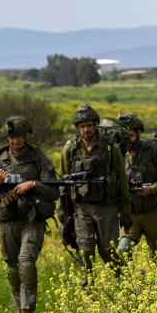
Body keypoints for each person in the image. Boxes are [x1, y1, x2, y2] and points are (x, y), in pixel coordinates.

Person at [0, 117, 60, 313]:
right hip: (8, 221)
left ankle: (28, 312)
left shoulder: (38, 158)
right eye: (11, 137)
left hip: (31, 219)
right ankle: (21, 312)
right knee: (12, 268)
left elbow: (54, 190)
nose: (15, 141)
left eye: (18, 136)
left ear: (25, 136)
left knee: (26, 261)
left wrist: (33, 184)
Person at [59, 103, 131, 286]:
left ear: (96, 124)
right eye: (82, 126)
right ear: (77, 128)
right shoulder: (71, 148)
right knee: (85, 250)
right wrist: (62, 211)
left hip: (106, 206)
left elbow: (122, 181)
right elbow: (63, 182)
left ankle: (124, 283)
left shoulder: (109, 148)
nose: (86, 130)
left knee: (108, 251)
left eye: (89, 125)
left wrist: (126, 212)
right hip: (81, 206)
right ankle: (89, 289)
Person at [117, 113, 157, 257]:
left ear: (139, 132)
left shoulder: (154, 152)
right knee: (123, 249)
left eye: (130, 136)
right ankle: (128, 279)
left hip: (153, 211)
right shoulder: (118, 153)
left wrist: (151, 189)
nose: (127, 141)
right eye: (124, 137)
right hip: (130, 213)